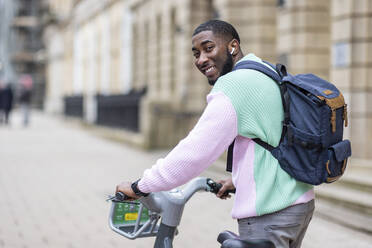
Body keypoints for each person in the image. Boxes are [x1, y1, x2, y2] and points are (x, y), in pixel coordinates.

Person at [116, 20, 314, 248]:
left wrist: (140, 186)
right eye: (196, 53)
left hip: (270, 212)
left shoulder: (233, 85)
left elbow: (194, 153)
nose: (201, 59)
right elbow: (270, 137)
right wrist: (240, 181)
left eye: (209, 48)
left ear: (233, 46)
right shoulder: (265, 70)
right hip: (299, 203)